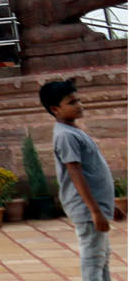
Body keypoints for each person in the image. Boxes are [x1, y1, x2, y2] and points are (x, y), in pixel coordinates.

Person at [43, 80, 115, 281]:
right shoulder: (66, 136)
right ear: (55, 109)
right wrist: (94, 210)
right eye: (72, 102)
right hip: (87, 209)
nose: (79, 105)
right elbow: (75, 173)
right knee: (93, 258)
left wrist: (108, 205)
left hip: (96, 206)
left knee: (102, 256)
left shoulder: (74, 131)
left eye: (79, 100)